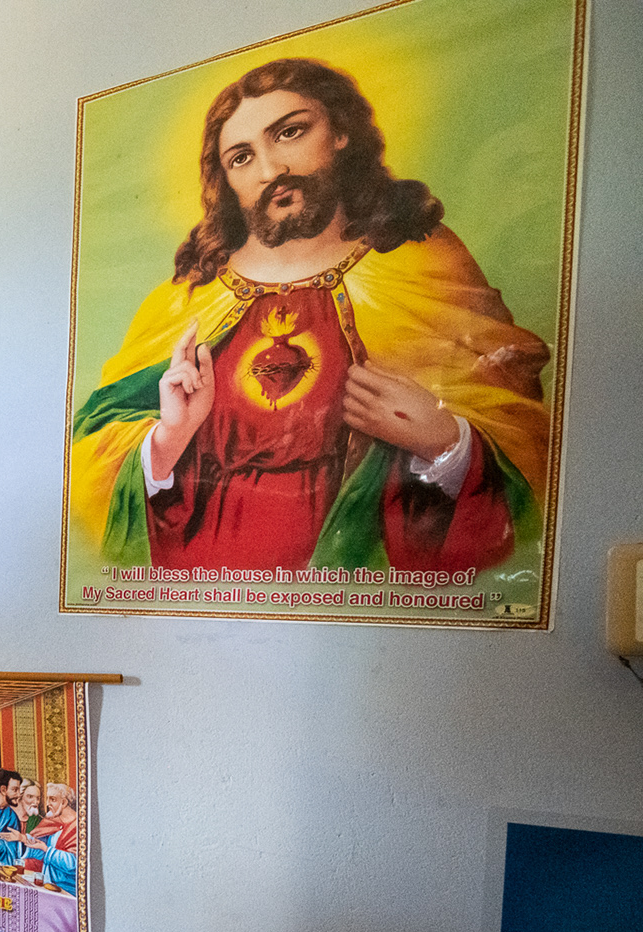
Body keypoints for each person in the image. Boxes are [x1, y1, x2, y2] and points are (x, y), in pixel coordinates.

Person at [69, 57, 551, 574]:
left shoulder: (423, 261)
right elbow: (89, 452)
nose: (271, 170)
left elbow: (520, 428)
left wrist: (445, 441)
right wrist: (168, 439)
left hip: (352, 587)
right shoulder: (186, 299)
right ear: (225, 181)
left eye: (291, 133)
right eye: (241, 158)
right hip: (203, 586)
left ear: (341, 132)